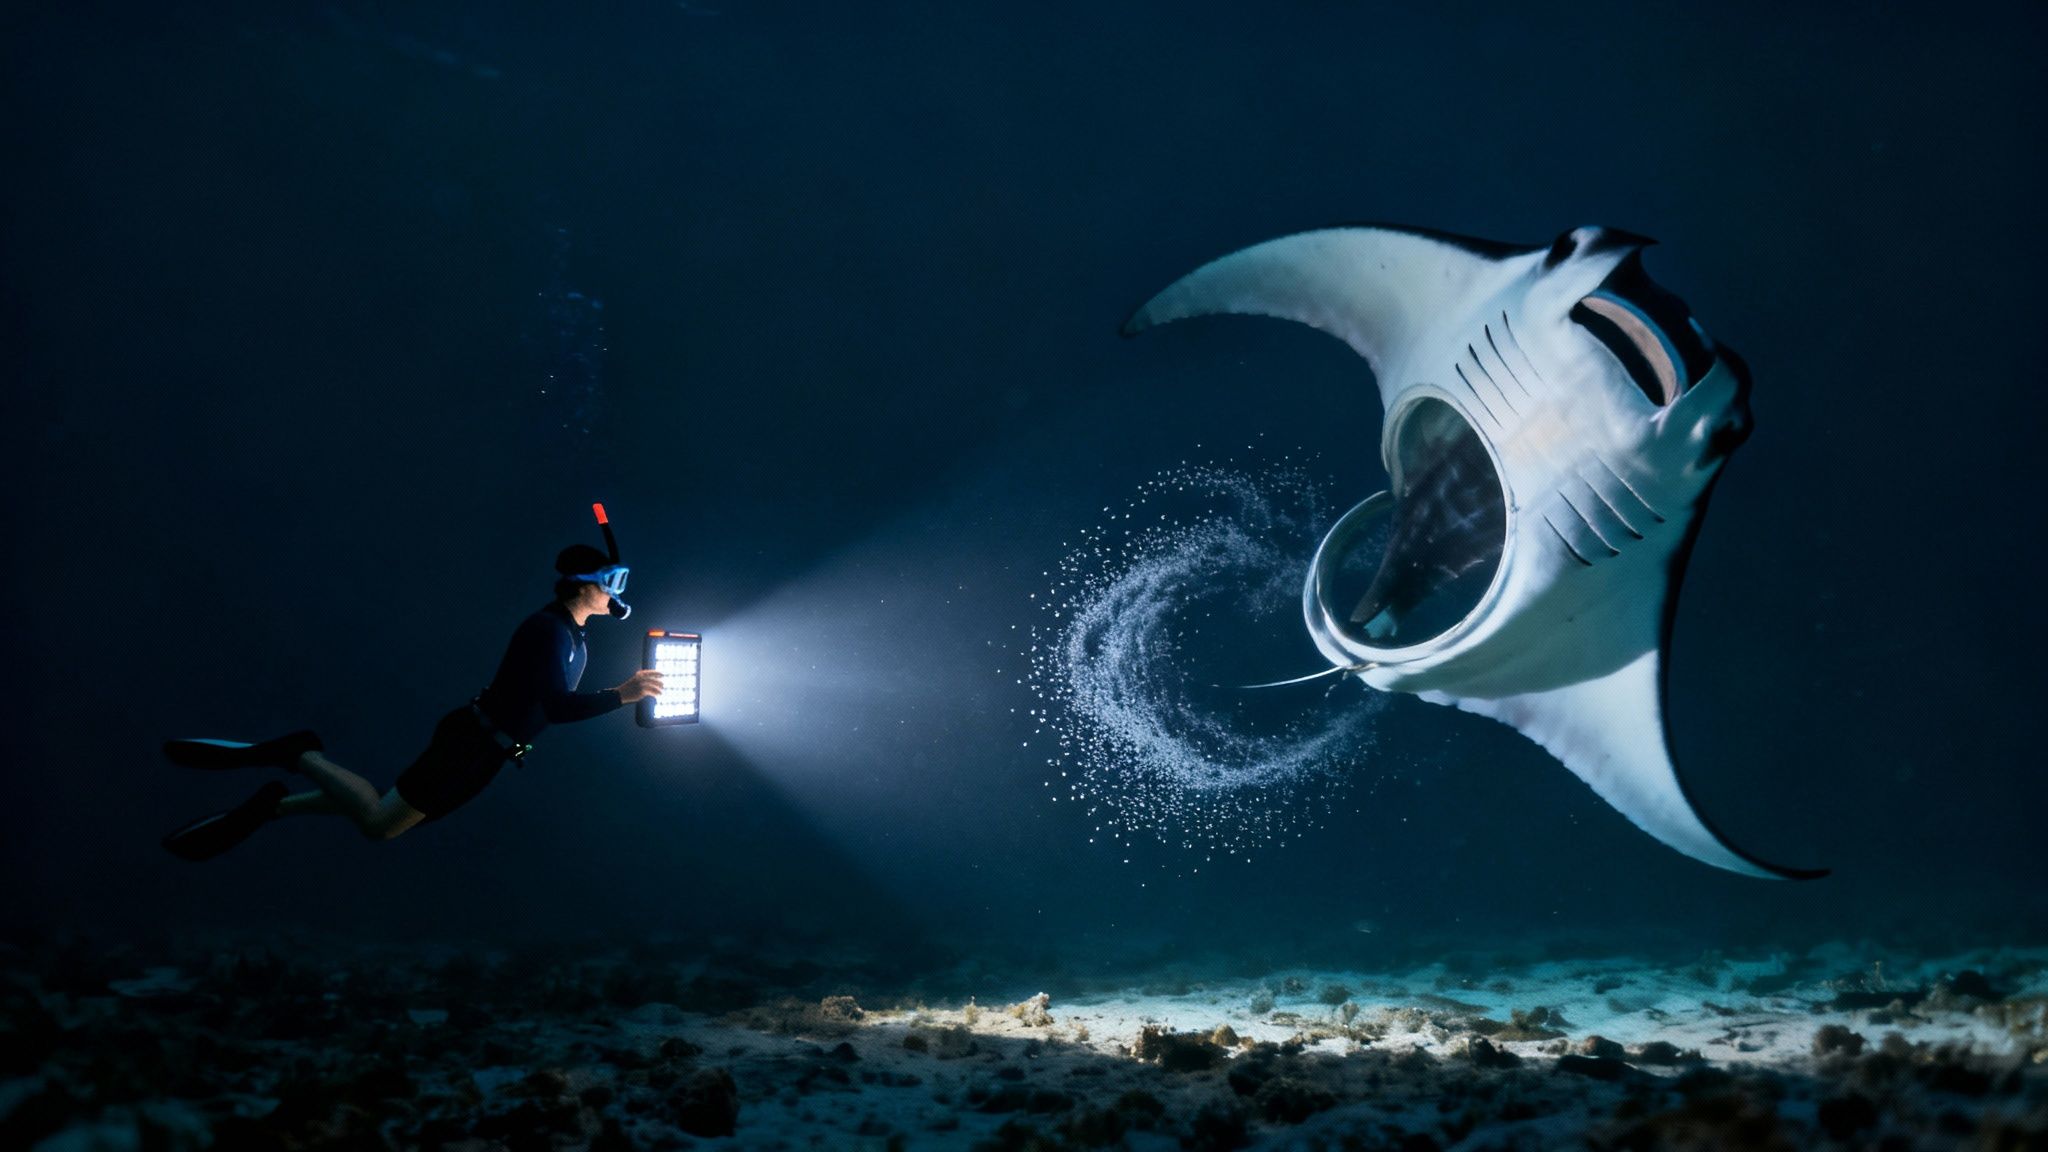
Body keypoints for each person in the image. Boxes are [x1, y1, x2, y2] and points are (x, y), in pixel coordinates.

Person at [161, 512, 663, 860]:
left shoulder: (574, 635)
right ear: (582, 584)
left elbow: (542, 706)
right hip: (469, 743)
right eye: (609, 582)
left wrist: (621, 694)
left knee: (388, 814)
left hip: (487, 753)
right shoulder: (547, 629)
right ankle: (301, 756)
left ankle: (273, 807)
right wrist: (623, 695)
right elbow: (556, 707)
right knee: (380, 825)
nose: (615, 593)